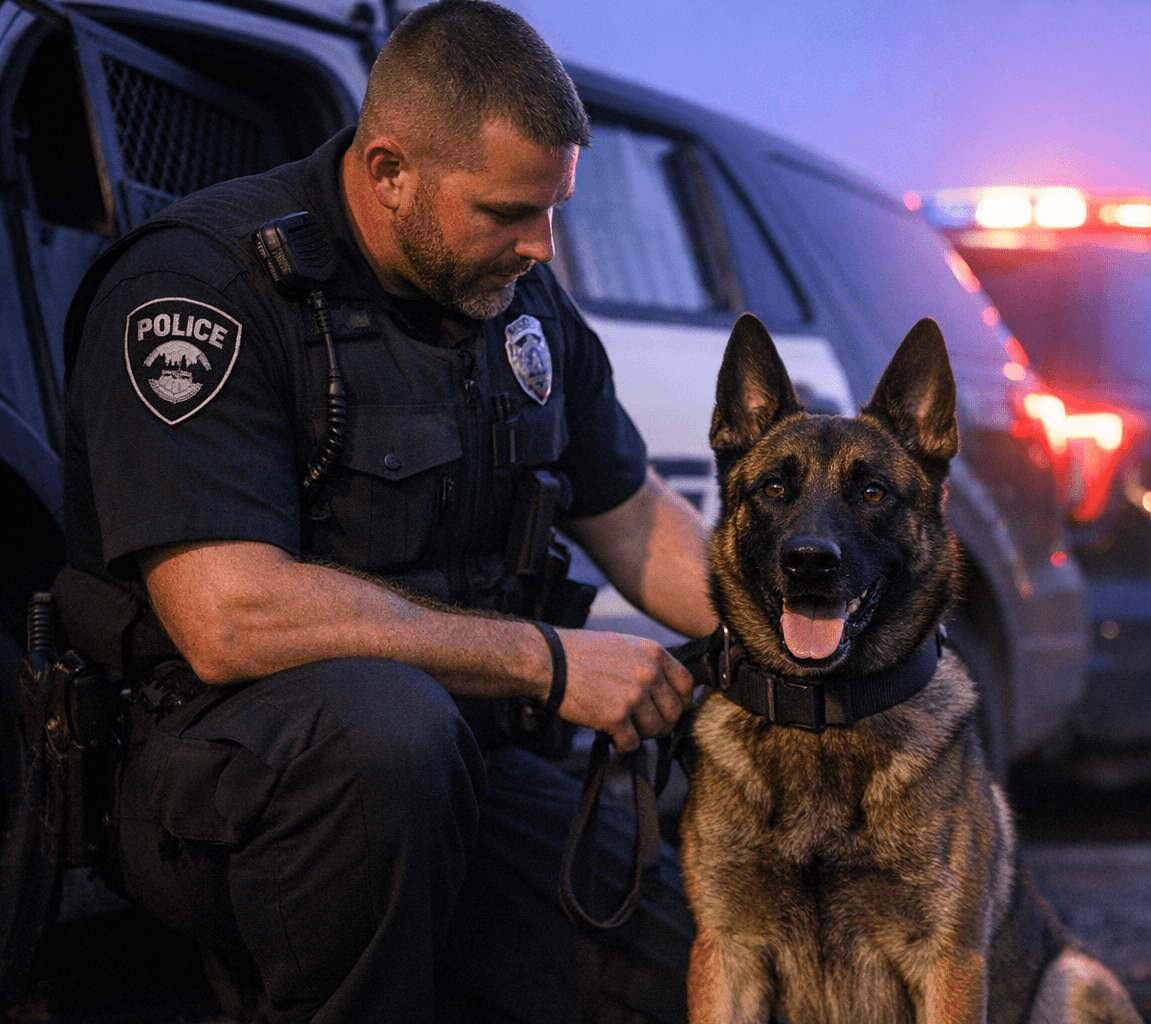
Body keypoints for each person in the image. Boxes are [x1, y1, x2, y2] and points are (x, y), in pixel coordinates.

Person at [59, 2, 713, 1020]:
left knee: (695, 982)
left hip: (468, 768)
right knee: (386, 739)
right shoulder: (202, 287)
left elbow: (631, 517)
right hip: (229, 779)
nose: (542, 246)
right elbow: (225, 615)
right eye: (506, 212)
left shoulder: (520, 301)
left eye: (555, 209)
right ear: (390, 171)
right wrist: (543, 661)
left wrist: (804, 635)